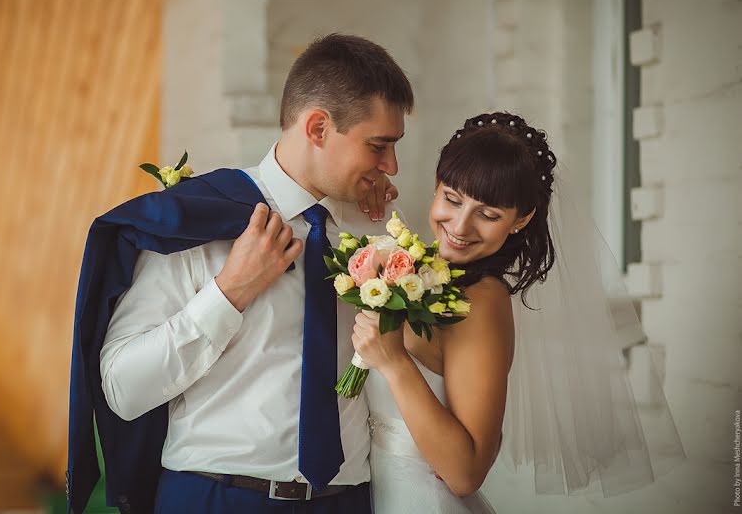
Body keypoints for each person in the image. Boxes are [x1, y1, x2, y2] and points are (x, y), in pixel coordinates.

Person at [97, 33, 412, 514]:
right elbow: (122, 390)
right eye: (378, 145)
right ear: (318, 128)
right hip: (214, 499)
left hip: (345, 503)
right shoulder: (198, 221)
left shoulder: (379, 228)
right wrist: (229, 292)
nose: (391, 165)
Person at [351, 111, 684, 513]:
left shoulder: (482, 301)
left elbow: (465, 473)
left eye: (488, 215)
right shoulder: (420, 269)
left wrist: (393, 362)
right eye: (452, 199)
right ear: (437, 186)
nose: (459, 225)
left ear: (520, 219)